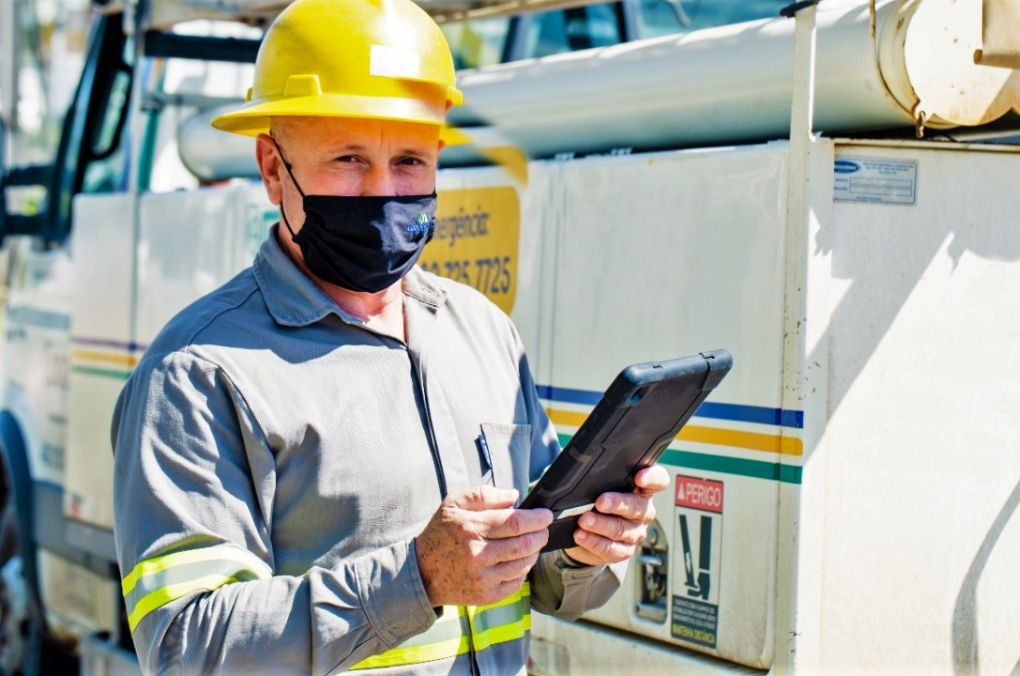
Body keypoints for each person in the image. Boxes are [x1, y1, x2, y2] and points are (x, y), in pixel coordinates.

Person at [110, 0, 668, 672]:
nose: (383, 192)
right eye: (348, 158)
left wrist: (584, 547)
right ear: (269, 168)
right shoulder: (199, 372)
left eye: (409, 161)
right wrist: (417, 580)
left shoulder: (481, 331)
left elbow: (544, 582)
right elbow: (187, 649)